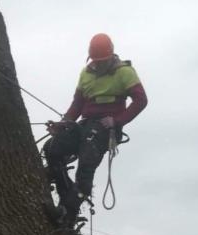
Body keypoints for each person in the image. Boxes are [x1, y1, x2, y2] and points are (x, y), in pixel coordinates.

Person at [44, 33, 147, 221]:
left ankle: (67, 212)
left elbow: (141, 100)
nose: (99, 64)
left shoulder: (124, 72)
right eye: (96, 61)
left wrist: (117, 121)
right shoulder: (86, 73)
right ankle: (66, 191)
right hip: (86, 124)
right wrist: (64, 123)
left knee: (86, 163)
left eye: (103, 61)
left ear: (110, 57)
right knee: (52, 148)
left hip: (104, 127)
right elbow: (77, 103)